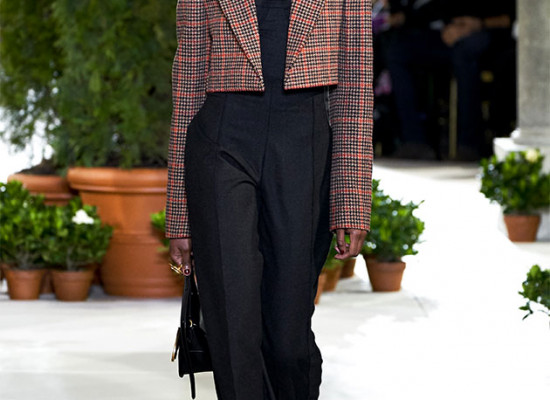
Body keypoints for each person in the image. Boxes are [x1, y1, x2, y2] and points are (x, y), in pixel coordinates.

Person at [165, 1, 373, 399]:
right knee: (232, 323)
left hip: (305, 144)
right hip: (221, 141)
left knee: (289, 337)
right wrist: (179, 214)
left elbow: (356, 84)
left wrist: (351, 198)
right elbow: (188, 79)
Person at [385, 0, 515, 160]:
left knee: (463, 54)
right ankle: (415, 141)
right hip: (449, 32)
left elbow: (513, 17)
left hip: (490, 33)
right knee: (398, 51)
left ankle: (469, 145)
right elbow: (434, 9)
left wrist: (479, 24)